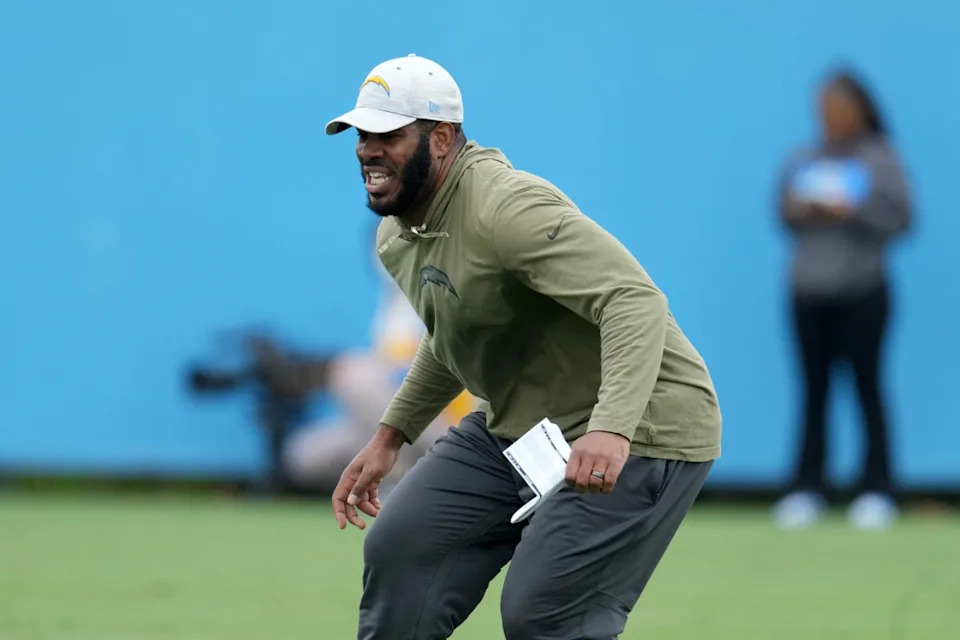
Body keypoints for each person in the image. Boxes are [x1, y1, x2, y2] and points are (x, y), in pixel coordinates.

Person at [325, 54, 722, 639]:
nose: (367, 149)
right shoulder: (398, 235)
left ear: (441, 138)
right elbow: (453, 332)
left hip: (644, 426)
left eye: (389, 134)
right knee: (404, 544)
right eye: (363, 134)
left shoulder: (506, 209)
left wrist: (611, 428)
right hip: (526, 428)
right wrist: (392, 435)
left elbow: (634, 302)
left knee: (543, 611)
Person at [773, 69, 912, 530]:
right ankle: (807, 487)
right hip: (808, 292)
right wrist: (804, 207)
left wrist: (855, 209)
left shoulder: (881, 159)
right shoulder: (804, 158)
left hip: (862, 291)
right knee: (813, 392)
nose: (830, 116)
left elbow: (903, 218)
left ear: (861, 109)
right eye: (823, 108)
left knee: (866, 388)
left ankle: (877, 488)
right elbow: (783, 212)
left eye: (839, 107)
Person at [282, 250, 475, 494]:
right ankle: (407, 479)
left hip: (447, 424)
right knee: (302, 455)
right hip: (396, 427)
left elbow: (432, 372)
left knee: (352, 376)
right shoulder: (393, 306)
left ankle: (407, 480)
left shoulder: (447, 289)